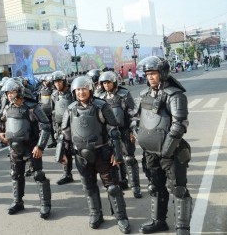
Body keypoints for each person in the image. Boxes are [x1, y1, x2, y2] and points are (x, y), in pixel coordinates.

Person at [60, 76, 131, 234]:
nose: (81, 92)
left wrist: (117, 153)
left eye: (84, 89)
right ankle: (96, 214)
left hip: (102, 153)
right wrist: (63, 154)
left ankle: (121, 217)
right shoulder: (70, 109)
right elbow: (65, 134)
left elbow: (114, 130)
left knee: (112, 187)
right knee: (89, 187)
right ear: (74, 91)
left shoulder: (101, 106)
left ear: (90, 89)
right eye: (78, 89)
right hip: (81, 156)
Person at [133, 56, 192, 235]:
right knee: (155, 186)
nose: (150, 77)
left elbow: (179, 124)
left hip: (172, 151)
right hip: (150, 152)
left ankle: (183, 227)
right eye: (148, 74)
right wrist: (138, 135)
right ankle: (159, 221)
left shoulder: (175, 95)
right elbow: (137, 119)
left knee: (178, 189)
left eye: (154, 73)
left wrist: (167, 150)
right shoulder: (144, 95)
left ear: (163, 73)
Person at [0, 78, 52, 219]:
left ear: (19, 92)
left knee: (38, 175)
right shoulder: (8, 108)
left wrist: (40, 146)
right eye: (7, 93)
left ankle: (45, 204)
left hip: (32, 148)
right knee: (16, 175)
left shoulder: (32, 107)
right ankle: (18, 202)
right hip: (14, 148)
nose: (9, 95)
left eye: (12, 92)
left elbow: (45, 126)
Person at [97, 71, 142, 198]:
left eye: (108, 82)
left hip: (124, 130)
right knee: (114, 159)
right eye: (104, 83)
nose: (106, 85)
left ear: (114, 82)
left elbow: (133, 113)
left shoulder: (124, 94)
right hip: (109, 133)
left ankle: (135, 186)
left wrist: (133, 130)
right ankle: (121, 182)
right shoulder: (99, 97)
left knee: (129, 159)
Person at [50, 71, 75, 185]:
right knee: (64, 150)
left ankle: (88, 173)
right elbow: (53, 113)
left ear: (64, 81)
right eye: (55, 82)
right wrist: (55, 128)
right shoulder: (54, 95)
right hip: (61, 126)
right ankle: (67, 174)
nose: (57, 84)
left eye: (59, 81)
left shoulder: (72, 93)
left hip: (74, 124)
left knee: (79, 150)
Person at [36, 76, 55, 148]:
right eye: (44, 81)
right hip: (44, 111)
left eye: (46, 81)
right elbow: (39, 100)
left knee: (53, 127)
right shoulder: (41, 89)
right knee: (45, 128)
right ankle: (44, 143)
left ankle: (54, 141)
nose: (45, 82)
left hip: (52, 111)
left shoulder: (52, 89)